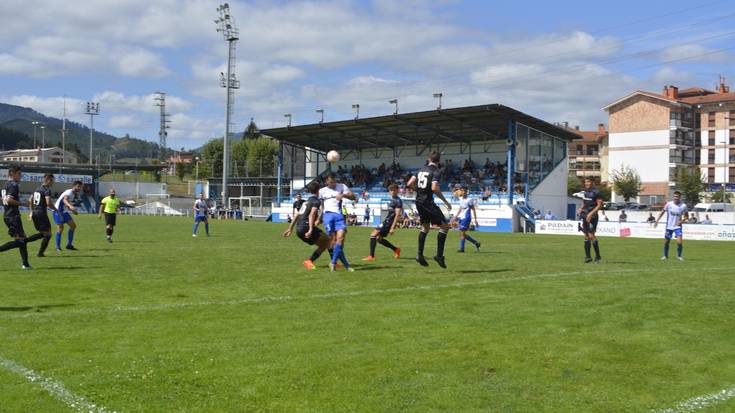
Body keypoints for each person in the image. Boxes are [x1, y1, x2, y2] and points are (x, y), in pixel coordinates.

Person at [406, 151, 452, 268]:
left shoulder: (420, 170)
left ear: (428, 159)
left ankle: (420, 255)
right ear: (439, 161)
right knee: (445, 226)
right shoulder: (436, 171)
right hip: (427, 202)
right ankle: (439, 256)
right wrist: (445, 201)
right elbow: (434, 188)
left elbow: (409, 183)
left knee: (425, 227)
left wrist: (419, 190)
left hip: (419, 201)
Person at [283, 183, 332, 270]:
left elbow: (297, 215)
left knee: (323, 244)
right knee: (329, 240)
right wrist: (310, 229)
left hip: (299, 229)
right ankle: (333, 263)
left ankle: (309, 261)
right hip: (306, 227)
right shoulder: (316, 201)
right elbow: (312, 215)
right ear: (318, 190)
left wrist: (290, 229)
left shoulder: (306, 202)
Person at [1, 165, 37, 269]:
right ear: (12, 173)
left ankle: (25, 264)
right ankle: (25, 264)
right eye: (19, 174)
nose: (21, 176)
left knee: (22, 239)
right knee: (21, 241)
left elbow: (4, 200)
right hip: (13, 216)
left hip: (8, 215)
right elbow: (8, 200)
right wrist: (24, 204)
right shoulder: (13, 185)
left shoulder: (5, 184)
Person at [319, 174, 356, 272]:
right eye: (331, 182)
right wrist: (319, 218)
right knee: (333, 242)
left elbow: (353, 197)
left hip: (339, 216)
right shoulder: (322, 191)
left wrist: (343, 195)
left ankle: (333, 263)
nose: (333, 184)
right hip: (328, 216)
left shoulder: (342, 186)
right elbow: (322, 206)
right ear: (327, 181)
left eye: (334, 181)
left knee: (341, 238)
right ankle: (346, 265)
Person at [362, 184, 402, 261]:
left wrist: (393, 227)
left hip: (389, 223)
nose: (392, 192)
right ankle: (396, 249)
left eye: (394, 190)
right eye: (391, 190)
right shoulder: (393, 199)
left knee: (373, 235)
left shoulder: (398, 201)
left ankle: (371, 256)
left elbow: (397, 215)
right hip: (387, 221)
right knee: (378, 238)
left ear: (397, 190)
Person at [28, 173, 58, 257]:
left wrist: (31, 211)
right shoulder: (46, 190)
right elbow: (48, 203)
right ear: (48, 180)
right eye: (52, 181)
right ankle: (39, 252)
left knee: (43, 233)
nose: (53, 183)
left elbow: (30, 200)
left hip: (35, 213)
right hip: (41, 214)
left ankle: (26, 242)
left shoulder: (37, 189)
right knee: (48, 234)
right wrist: (56, 210)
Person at [655, 191, 688, 261]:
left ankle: (679, 256)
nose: (676, 198)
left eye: (677, 197)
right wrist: (657, 220)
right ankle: (665, 256)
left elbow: (686, 216)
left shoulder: (683, 206)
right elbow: (662, 212)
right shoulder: (668, 204)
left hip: (677, 227)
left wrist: (681, 221)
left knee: (679, 242)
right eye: (675, 196)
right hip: (669, 226)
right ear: (673, 197)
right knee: (666, 242)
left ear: (680, 197)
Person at [577, 177, 603, 263]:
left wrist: (591, 214)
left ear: (592, 182)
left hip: (593, 216)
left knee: (591, 235)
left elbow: (599, 205)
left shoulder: (597, 192)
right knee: (586, 236)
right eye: (585, 182)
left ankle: (598, 256)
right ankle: (588, 257)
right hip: (585, 215)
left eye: (588, 182)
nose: (586, 184)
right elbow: (585, 203)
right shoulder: (585, 192)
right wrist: (581, 208)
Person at [53, 180, 82, 252]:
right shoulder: (69, 192)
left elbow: (66, 203)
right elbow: (64, 200)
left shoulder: (73, 194)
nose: (79, 188)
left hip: (64, 212)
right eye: (78, 186)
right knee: (60, 229)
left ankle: (69, 245)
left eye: (80, 187)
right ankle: (57, 247)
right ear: (74, 186)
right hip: (58, 211)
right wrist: (71, 206)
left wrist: (72, 210)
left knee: (73, 226)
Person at [453, 185, 481, 253]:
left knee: (462, 233)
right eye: (462, 191)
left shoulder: (469, 200)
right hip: (462, 217)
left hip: (467, 217)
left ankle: (462, 249)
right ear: (461, 192)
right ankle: (476, 243)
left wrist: (475, 220)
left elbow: (473, 209)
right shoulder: (460, 199)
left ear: (467, 192)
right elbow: (460, 208)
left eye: (465, 191)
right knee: (462, 234)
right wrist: (456, 216)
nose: (464, 192)